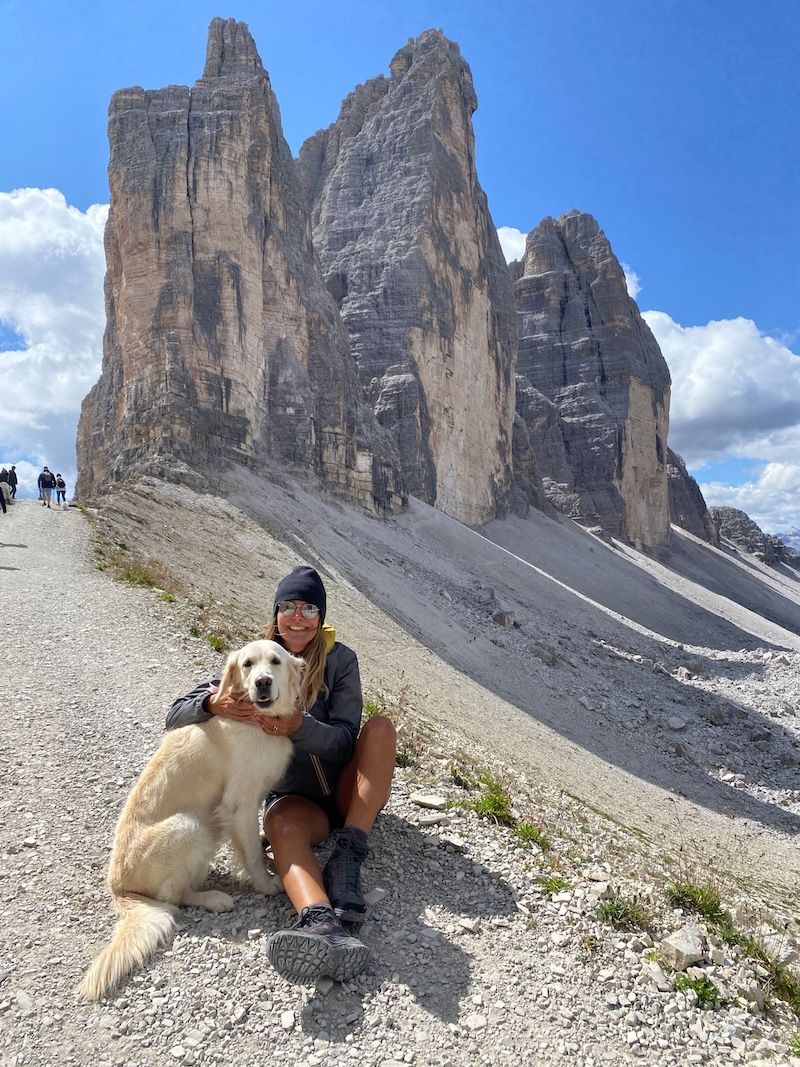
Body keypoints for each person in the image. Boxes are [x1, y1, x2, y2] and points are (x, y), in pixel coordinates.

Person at [166, 565, 396, 984]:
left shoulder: (341, 660)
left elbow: (346, 740)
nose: (297, 616)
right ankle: (320, 923)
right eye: (288, 607)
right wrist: (212, 704)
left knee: (380, 729)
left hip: (347, 792)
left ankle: (348, 854)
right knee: (284, 826)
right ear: (275, 614)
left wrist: (300, 727)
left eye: (309, 608)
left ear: (321, 616)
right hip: (297, 801)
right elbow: (175, 714)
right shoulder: (257, 659)